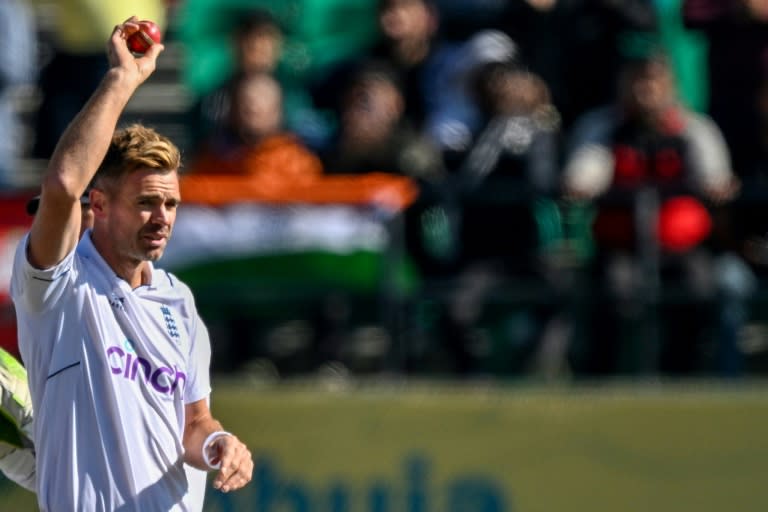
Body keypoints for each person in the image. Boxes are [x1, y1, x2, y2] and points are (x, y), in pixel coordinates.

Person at [9, 17, 252, 510]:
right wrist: (122, 80)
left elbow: (192, 423)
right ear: (98, 204)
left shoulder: (179, 302)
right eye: (146, 203)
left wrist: (218, 443)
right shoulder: (60, 285)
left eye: (171, 204)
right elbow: (62, 188)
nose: (162, 218)